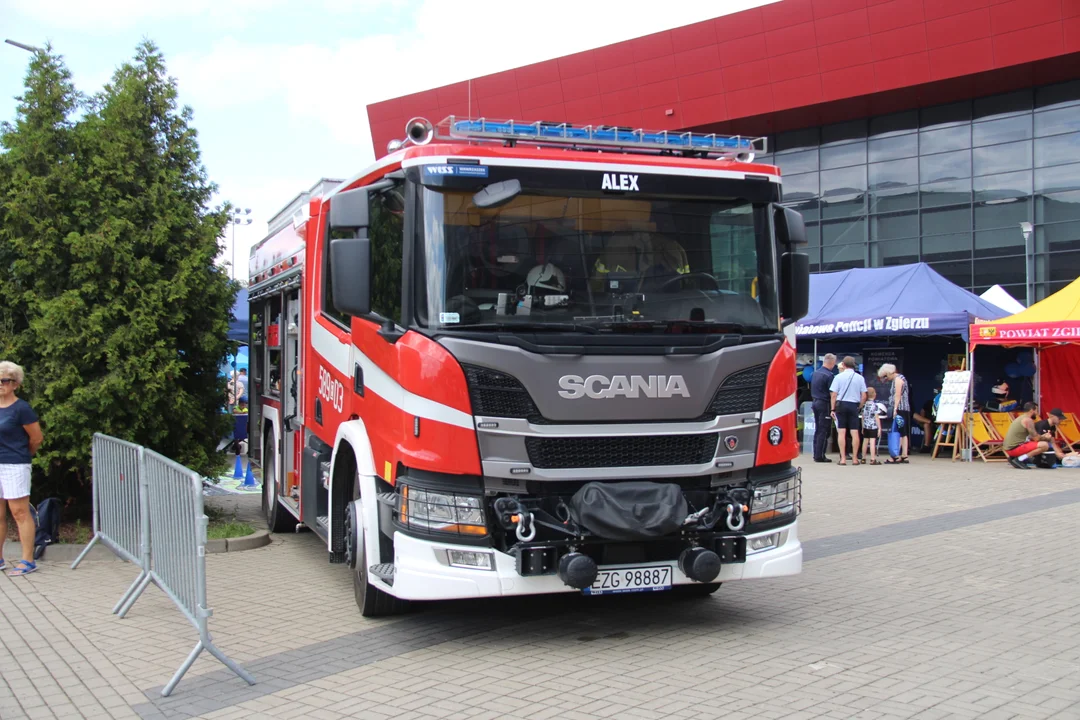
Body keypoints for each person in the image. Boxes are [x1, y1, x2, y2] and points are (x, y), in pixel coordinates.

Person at [0, 361, 45, 577]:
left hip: (15, 464)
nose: (0, 384)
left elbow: (36, 438)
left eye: (4, 381)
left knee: (19, 512)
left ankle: (28, 560)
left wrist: (22, 455)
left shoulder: (22, 408)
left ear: (15, 384)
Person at [830, 356, 868, 466]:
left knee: (841, 432)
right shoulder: (860, 378)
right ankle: (855, 458)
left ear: (844, 365)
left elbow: (834, 395)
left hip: (841, 405)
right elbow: (864, 395)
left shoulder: (838, 377)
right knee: (854, 432)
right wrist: (859, 406)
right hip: (853, 406)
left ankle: (843, 459)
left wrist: (833, 408)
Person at [1003, 403, 1057, 469]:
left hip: (1010, 448)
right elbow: (1036, 438)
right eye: (1036, 410)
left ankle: (1013, 458)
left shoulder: (1021, 418)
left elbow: (1030, 437)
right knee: (1045, 445)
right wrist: (1045, 437)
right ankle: (1020, 459)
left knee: (1037, 443)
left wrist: (1042, 436)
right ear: (1032, 410)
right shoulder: (1028, 420)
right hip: (1014, 449)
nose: (1037, 414)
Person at [878, 363, 911, 464]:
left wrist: (895, 409)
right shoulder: (901, 378)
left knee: (898, 431)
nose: (885, 378)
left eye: (885, 376)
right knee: (903, 432)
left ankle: (895, 455)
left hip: (900, 409)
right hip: (904, 409)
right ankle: (904, 455)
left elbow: (897, 395)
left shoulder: (897, 380)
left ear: (889, 373)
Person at [810, 354, 837, 463]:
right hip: (824, 403)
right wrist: (833, 408)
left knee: (818, 429)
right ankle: (820, 455)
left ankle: (816, 453)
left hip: (815, 401)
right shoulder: (829, 376)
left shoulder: (815, 373)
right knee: (824, 430)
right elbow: (832, 394)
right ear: (832, 363)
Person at [861, 387, 884, 465]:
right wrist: (879, 428)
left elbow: (862, 417)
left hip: (866, 426)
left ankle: (863, 458)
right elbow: (877, 417)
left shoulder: (864, 405)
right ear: (874, 395)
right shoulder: (875, 405)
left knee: (865, 442)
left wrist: (862, 427)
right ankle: (872, 459)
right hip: (873, 426)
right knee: (872, 442)